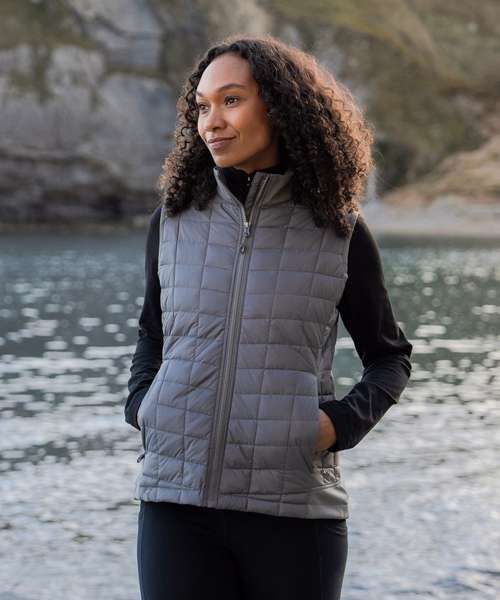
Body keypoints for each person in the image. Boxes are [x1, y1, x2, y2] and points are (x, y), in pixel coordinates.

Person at [125, 35, 413, 600]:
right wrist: (143, 407)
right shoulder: (174, 219)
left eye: (231, 101)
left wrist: (337, 425)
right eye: (202, 107)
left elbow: (389, 358)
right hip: (174, 505)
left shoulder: (338, 229)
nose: (212, 122)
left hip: (294, 512)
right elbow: (152, 333)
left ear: (279, 107)